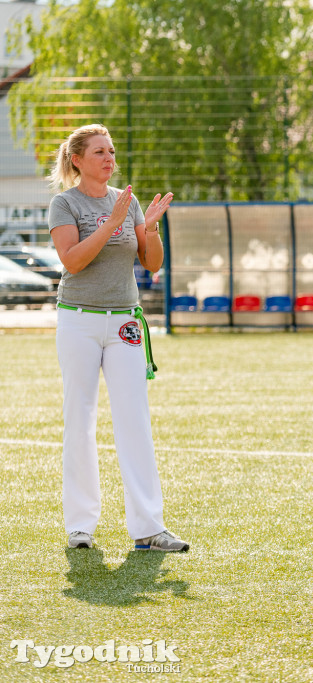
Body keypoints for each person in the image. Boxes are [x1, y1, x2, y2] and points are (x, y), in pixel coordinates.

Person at [47, 124, 187, 552]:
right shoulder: (64, 204)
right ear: (77, 160)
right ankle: (81, 527)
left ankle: (148, 527)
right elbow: (72, 261)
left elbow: (152, 262)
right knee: (80, 421)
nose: (109, 159)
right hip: (79, 321)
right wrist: (111, 224)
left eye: (111, 151)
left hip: (125, 321)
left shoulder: (128, 203)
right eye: (99, 152)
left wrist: (152, 229)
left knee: (134, 421)